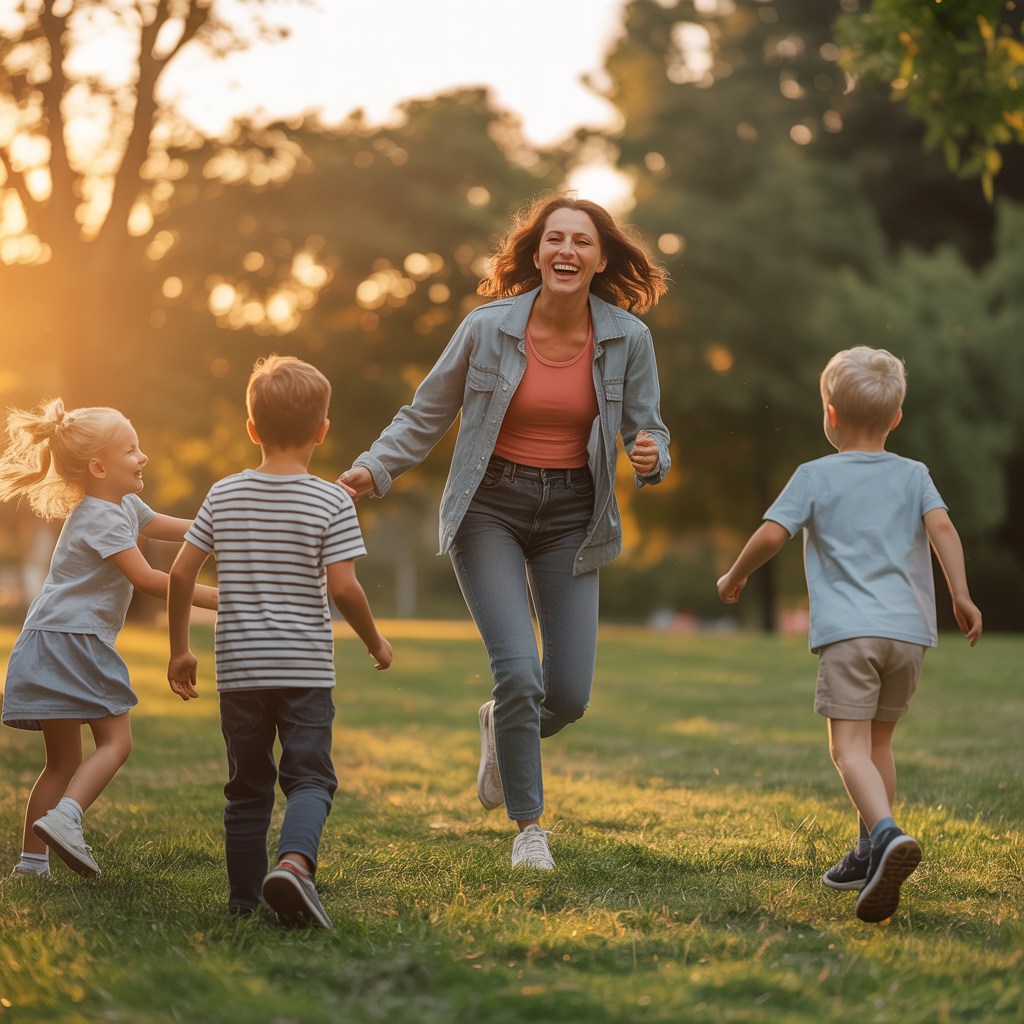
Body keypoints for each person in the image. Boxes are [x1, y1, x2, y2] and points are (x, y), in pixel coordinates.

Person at [339, 194, 671, 871]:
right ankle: (529, 829)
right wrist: (374, 468)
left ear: (600, 260)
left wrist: (651, 456)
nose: (567, 250)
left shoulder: (628, 339)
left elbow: (650, 427)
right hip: (488, 506)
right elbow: (427, 411)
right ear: (538, 252)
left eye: (582, 241)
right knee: (519, 673)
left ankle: (502, 722)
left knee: (567, 695)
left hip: (573, 516)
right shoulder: (487, 327)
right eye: (555, 239)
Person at [716, 346, 982, 923]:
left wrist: (735, 575)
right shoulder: (914, 474)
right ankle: (867, 853)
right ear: (897, 417)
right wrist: (960, 594)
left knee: (847, 750)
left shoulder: (815, 475)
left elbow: (772, 534)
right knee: (879, 745)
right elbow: (943, 528)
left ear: (830, 415)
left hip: (851, 636)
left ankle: (885, 835)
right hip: (908, 635)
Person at [167, 355, 392, 928]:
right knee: (311, 778)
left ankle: (244, 905)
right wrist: (374, 642)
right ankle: (293, 865)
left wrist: (180, 648)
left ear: (252, 429)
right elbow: (344, 588)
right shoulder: (332, 501)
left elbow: (181, 573)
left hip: (240, 671)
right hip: (304, 671)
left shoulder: (222, 494)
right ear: (322, 430)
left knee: (247, 788)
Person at [0, 399, 218, 879]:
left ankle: (31, 864)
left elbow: (183, 530)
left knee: (61, 762)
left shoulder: (124, 507)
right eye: (131, 450)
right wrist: (221, 598)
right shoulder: (100, 516)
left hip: (46, 638)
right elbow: (149, 579)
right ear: (99, 467)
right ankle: (67, 817)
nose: (143, 457)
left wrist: (227, 528)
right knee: (116, 742)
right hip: (75, 640)